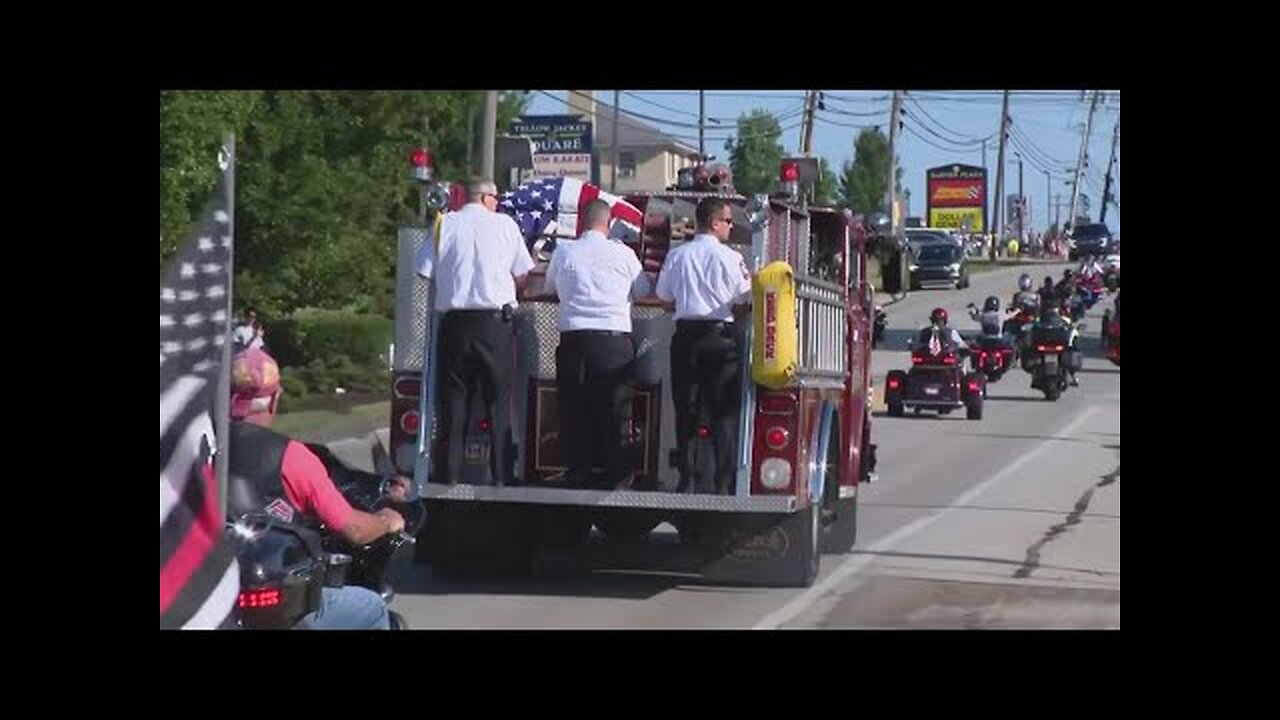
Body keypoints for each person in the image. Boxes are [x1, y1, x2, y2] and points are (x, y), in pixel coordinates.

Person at [225, 348, 408, 630]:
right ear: (273, 399)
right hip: (281, 606)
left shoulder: (197, 448)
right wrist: (386, 520)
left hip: (209, 593)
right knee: (371, 607)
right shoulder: (290, 456)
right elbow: (354, 530)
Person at [416, 178, 536, 486]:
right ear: (484, 197)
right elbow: (523, 273)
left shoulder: (444, 224)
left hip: (455, 323)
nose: (499, 202)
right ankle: (501, 476)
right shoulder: (505, 226)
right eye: (496, 197)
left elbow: (424, 271)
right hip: (494, 324)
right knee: (498, 403)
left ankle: (448, 475)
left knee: (453, 404)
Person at [544, 199, 649, 489]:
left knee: (574, 408)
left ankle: (578, 470)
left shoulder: (564, 252)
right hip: (613, 342)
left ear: (582, 221)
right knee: (616, 410)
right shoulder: (623, 254)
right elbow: (643, 290)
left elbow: (549, 289)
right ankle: (616, 475)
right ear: (609, 222)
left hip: (574, 340)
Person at [655, 196, 752, 495]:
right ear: (714, 223)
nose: (731, 227)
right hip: (720, 338)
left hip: (686, 338)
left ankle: (689, 479)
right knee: (724, 413)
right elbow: (746, 298)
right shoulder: (731, 258)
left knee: (687, 410)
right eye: (728, 221)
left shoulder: (677, 256)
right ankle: (724, 483)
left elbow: (664, 296)